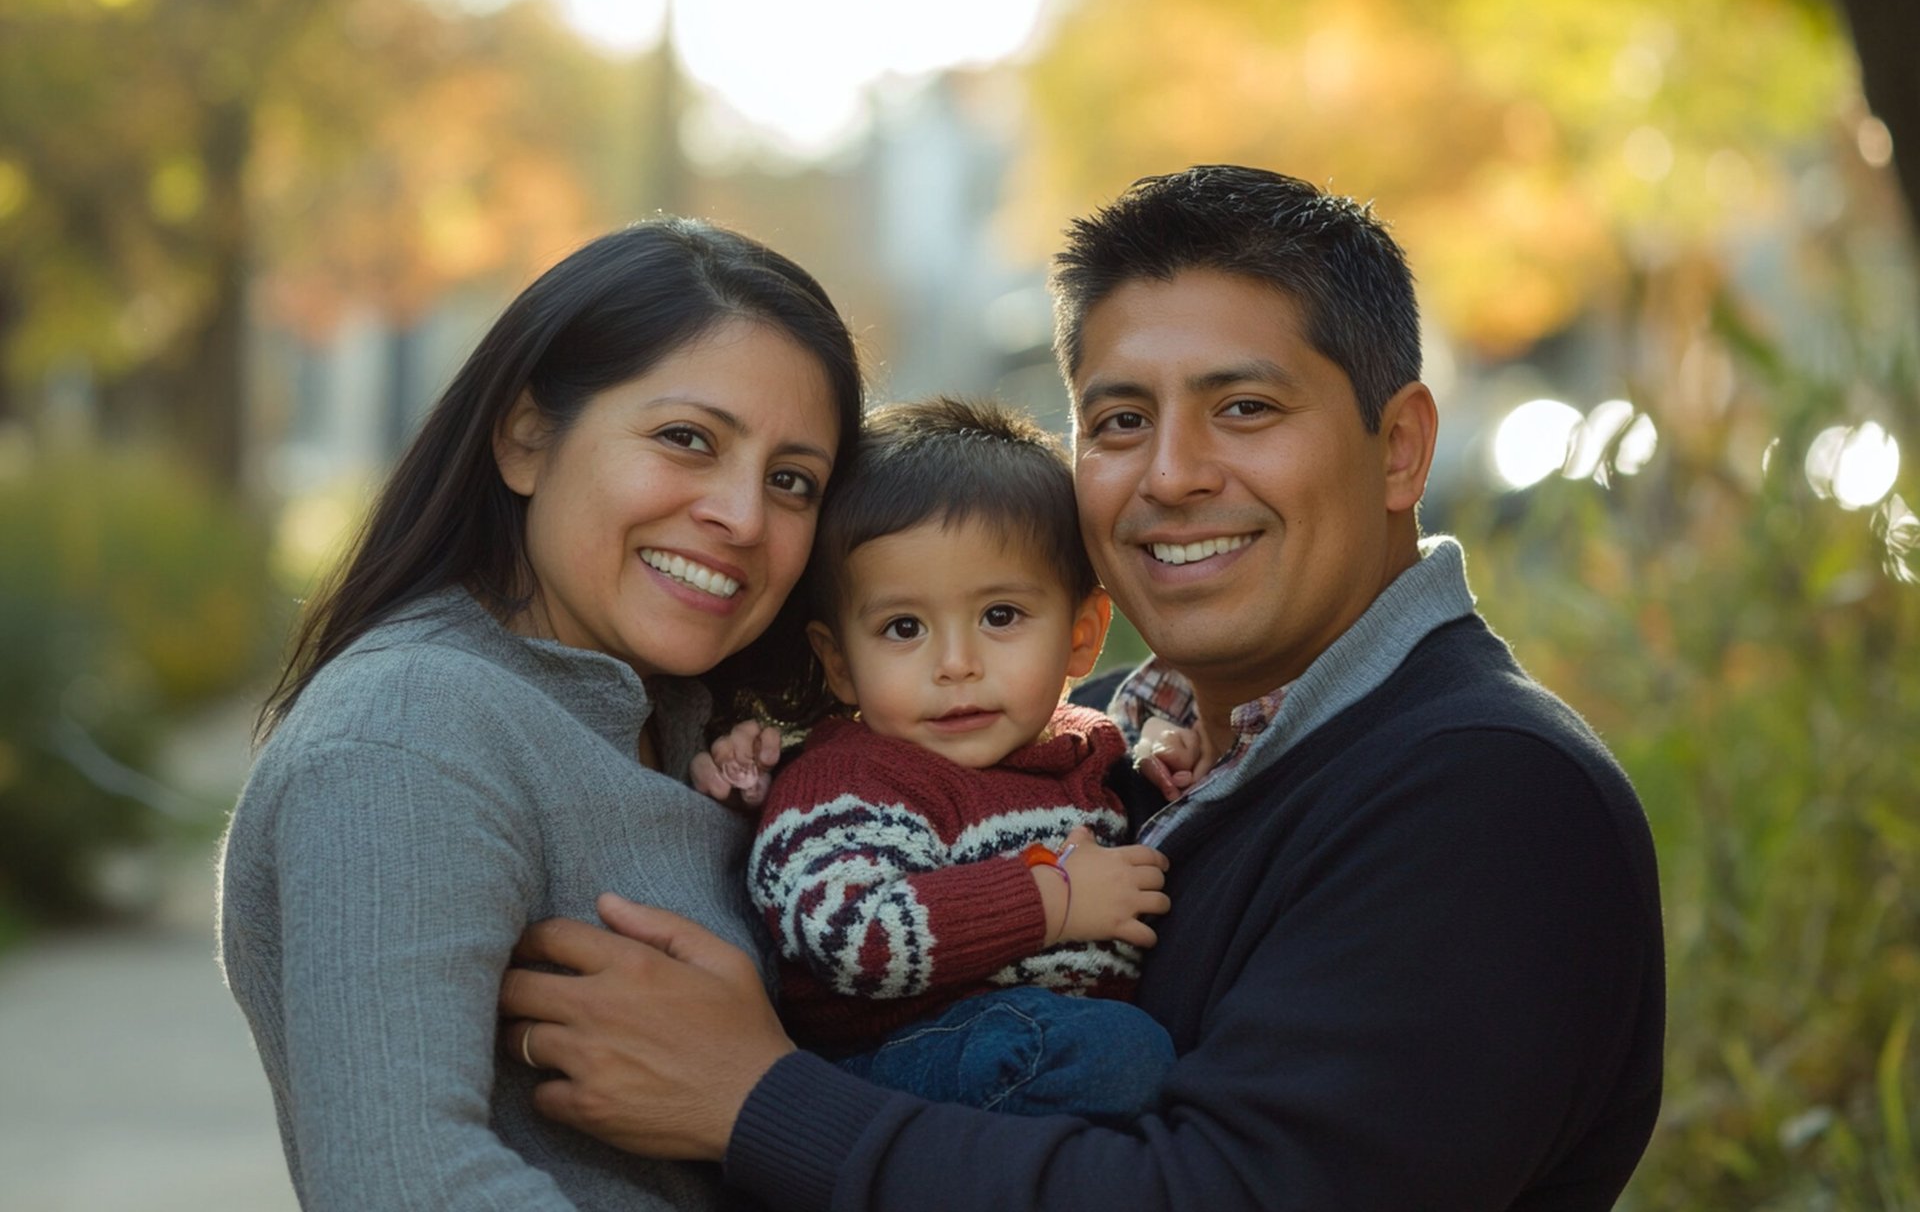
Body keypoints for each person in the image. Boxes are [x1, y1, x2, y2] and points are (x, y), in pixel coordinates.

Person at [497, 166, 1667, 1210]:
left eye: (1244, 408)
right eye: (1119, 420)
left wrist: (756, 1101)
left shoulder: (1491, 792)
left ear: (1401, 446)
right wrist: (775, 752)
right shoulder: (1101, 735)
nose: (1172, 474)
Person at [217, 219, 863, 1210]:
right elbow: (405, 1181)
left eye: (792, 480)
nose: (742, 514)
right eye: (687, 438)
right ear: (526, 436)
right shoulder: (410, 731)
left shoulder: (704, 730)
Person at [706, 397, 1173, 1120]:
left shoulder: (1080, 745)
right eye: (903, 627)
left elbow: (1109, 730)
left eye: (1000, 616)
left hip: (1026, 1049)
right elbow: (846, 931)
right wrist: (1054, 899)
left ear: (1082, 635)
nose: (956, 664)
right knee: (1117, 1052)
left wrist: (1166, 746)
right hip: (897, 1063)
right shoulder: (855, 779)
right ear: (839, 663)